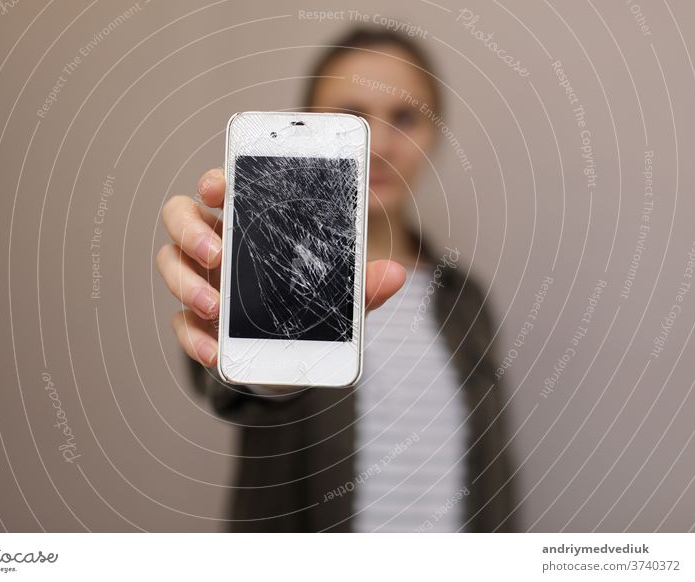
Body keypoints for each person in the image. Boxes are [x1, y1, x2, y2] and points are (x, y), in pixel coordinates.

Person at [157, 27, 518, 532]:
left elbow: (493, 478)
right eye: (352, 117)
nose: (382, 143)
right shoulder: (271, 270)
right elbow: (246, 392)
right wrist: (246, 316)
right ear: (307, 126)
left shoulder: (465, 297)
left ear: (434, 135)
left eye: (406, 117)